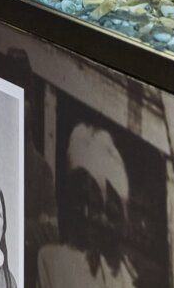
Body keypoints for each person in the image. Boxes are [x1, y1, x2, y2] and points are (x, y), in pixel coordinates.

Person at [36, 122, 138, 288]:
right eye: (86, 200)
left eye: (104, 209)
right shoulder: (52, 262)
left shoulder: (121, 276)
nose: (91, 216)